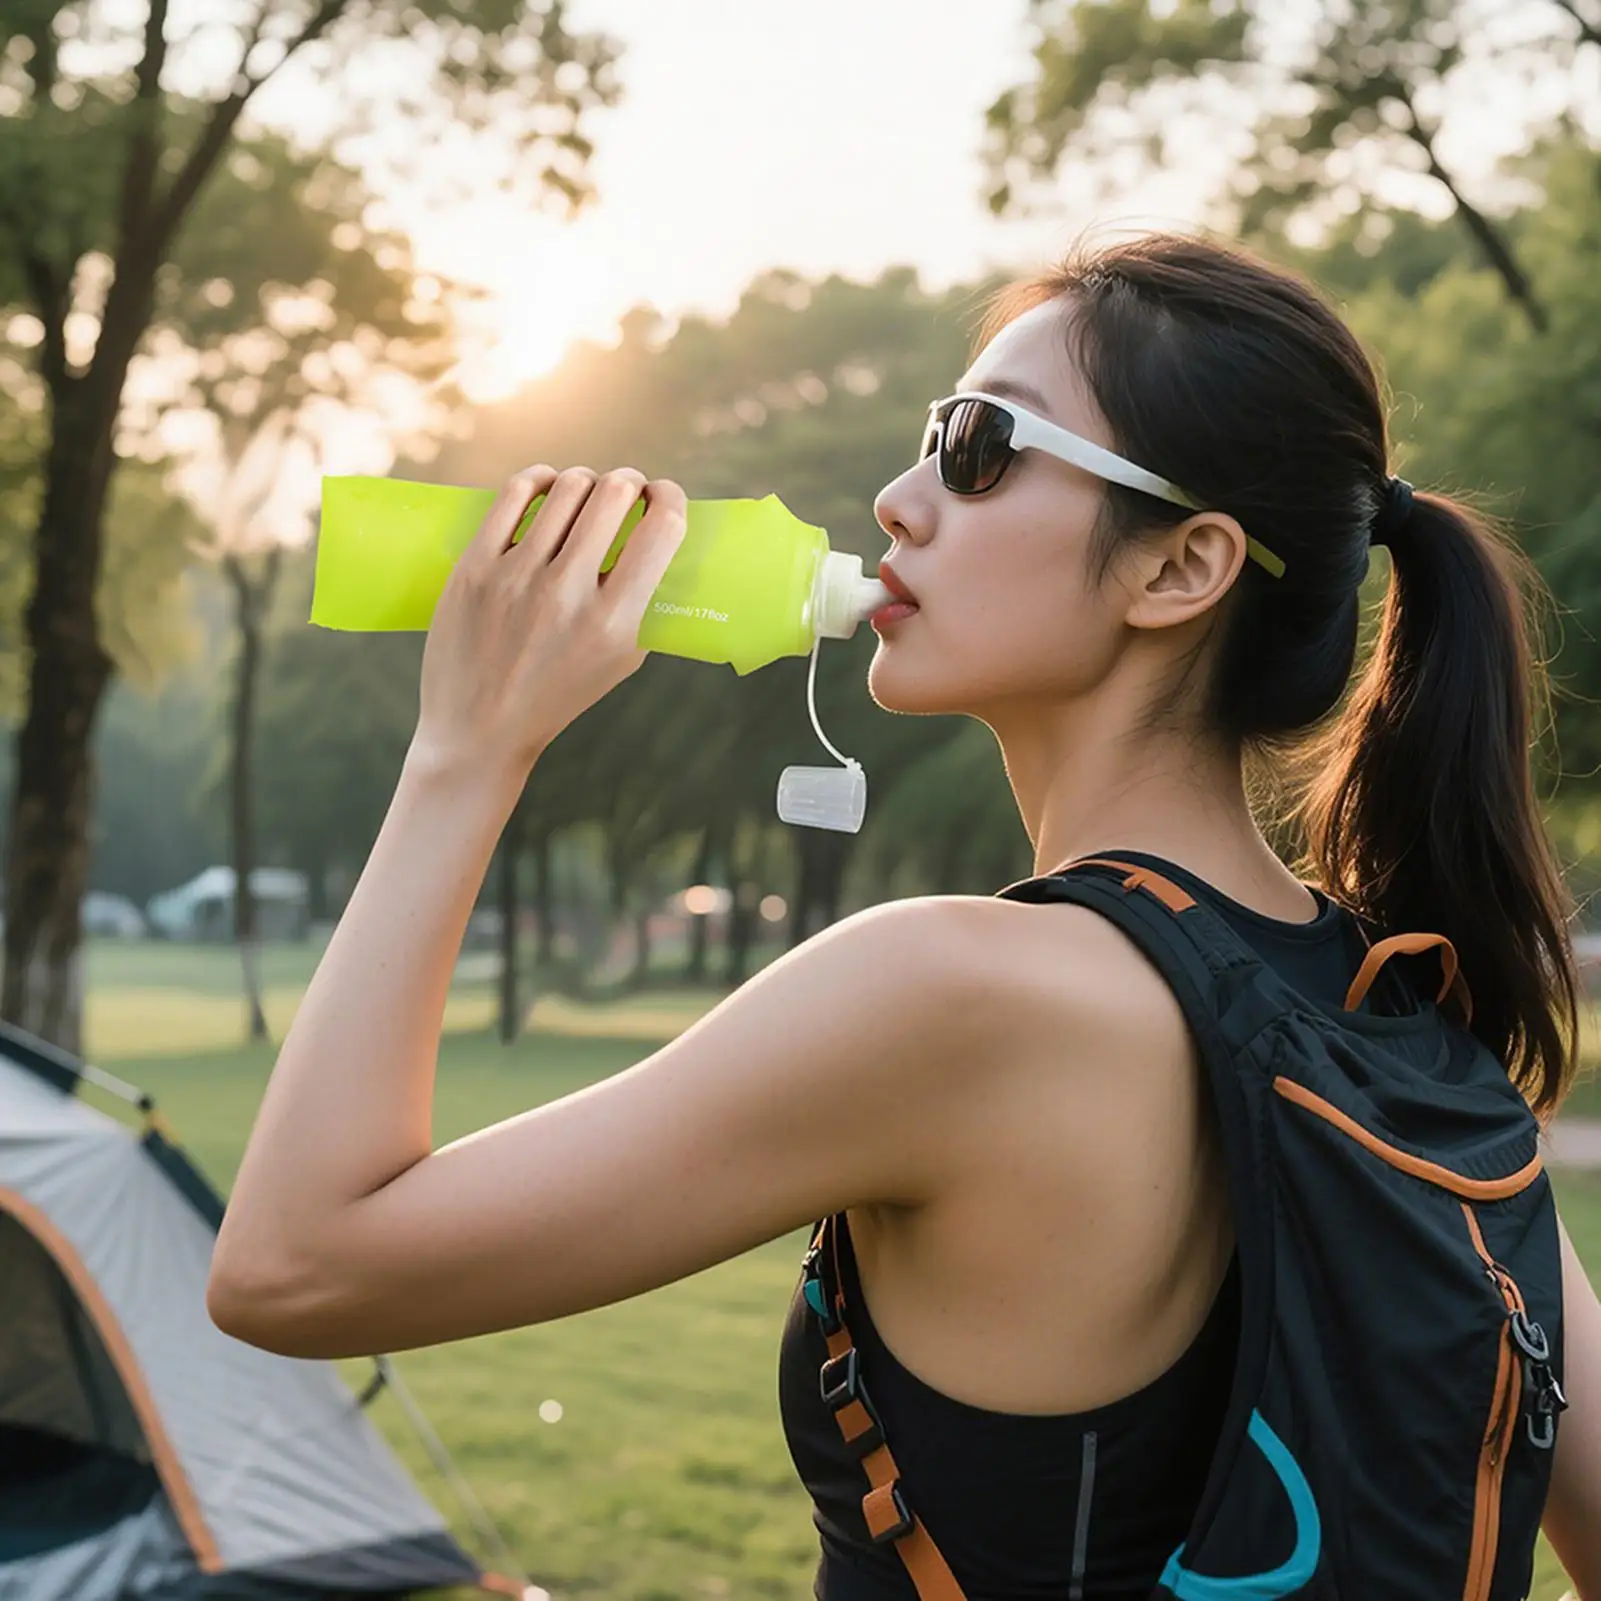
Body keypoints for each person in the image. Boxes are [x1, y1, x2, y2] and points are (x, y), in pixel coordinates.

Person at [208, 232, 1601, 1599]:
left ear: (1180, 568)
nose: (896, 499)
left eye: (976, 446)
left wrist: (466, 750)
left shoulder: (960, 996)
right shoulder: (1415, 1028)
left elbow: (294, 1266)